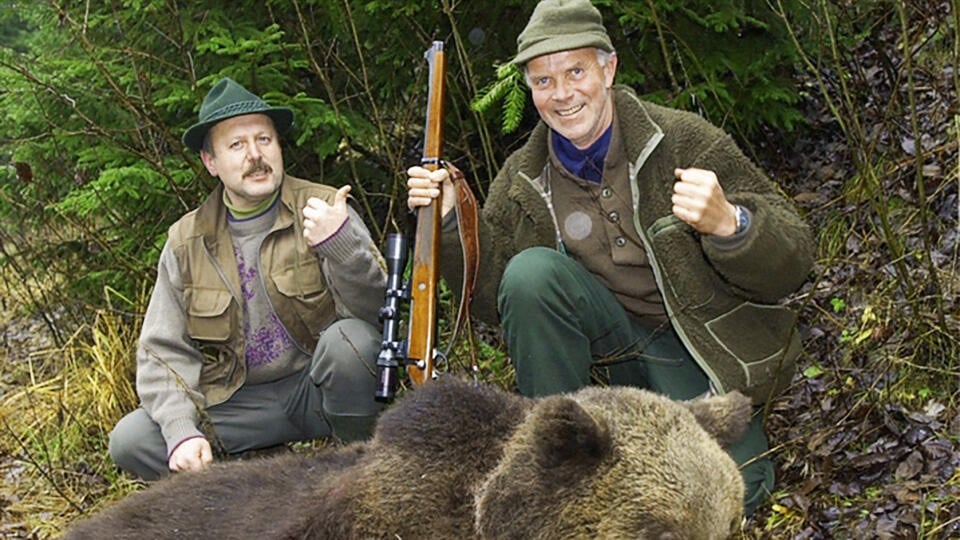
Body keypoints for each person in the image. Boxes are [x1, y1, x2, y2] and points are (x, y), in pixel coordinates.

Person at [406, 0, 814, 515]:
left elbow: (795, 260)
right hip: (601, 371)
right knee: (532, 275)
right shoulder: (521, 178)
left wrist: (731, 224)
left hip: (697, 357)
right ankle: (555, 463)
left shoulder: (683, 140)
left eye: (575, 71)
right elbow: (493, 298)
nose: (562, 95)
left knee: (734, 492)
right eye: (543, 81)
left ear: (608, 67)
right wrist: (448, 223)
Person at [109, 77, 388, 480]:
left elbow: (377, 317)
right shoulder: (187, 241)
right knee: (132, 440)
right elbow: (161, 352)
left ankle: (362, 474)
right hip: (239, 402)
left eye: (264, 139)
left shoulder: (324, 208)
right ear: (211, 162)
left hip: (318, 391)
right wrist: (182, 431)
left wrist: (341, 247)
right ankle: (239, 492)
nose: (255, 156)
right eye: (236, 145)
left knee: (349, 344)